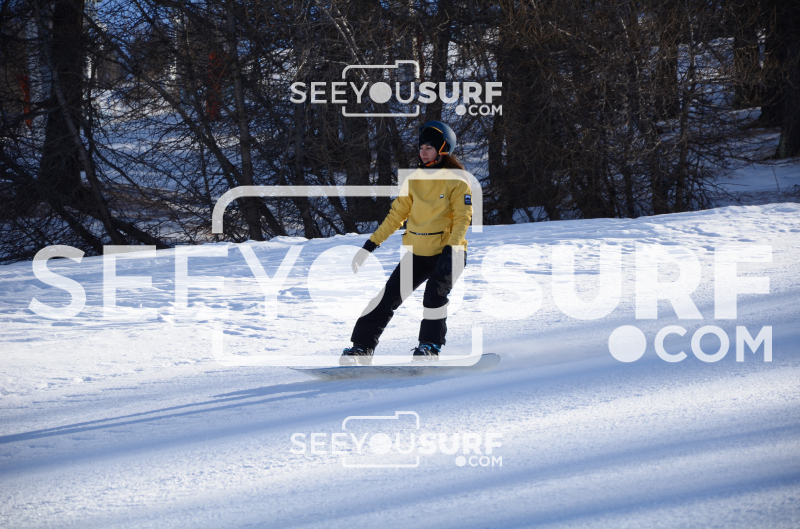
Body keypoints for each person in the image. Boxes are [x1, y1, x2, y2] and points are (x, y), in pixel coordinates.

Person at [340, 121, 473, 366]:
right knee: (386, 298)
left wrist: (451, 251)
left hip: (448, 253)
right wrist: (370, 245)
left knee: (434, 297)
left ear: (443, 150)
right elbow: (396, 217)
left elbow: (462, 220)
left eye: (429, 148)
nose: (423, 152)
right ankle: (361, 348)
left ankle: (429, 347)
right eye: (421, 147)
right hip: (419, 253)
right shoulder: (413, 180)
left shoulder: (457, 181)